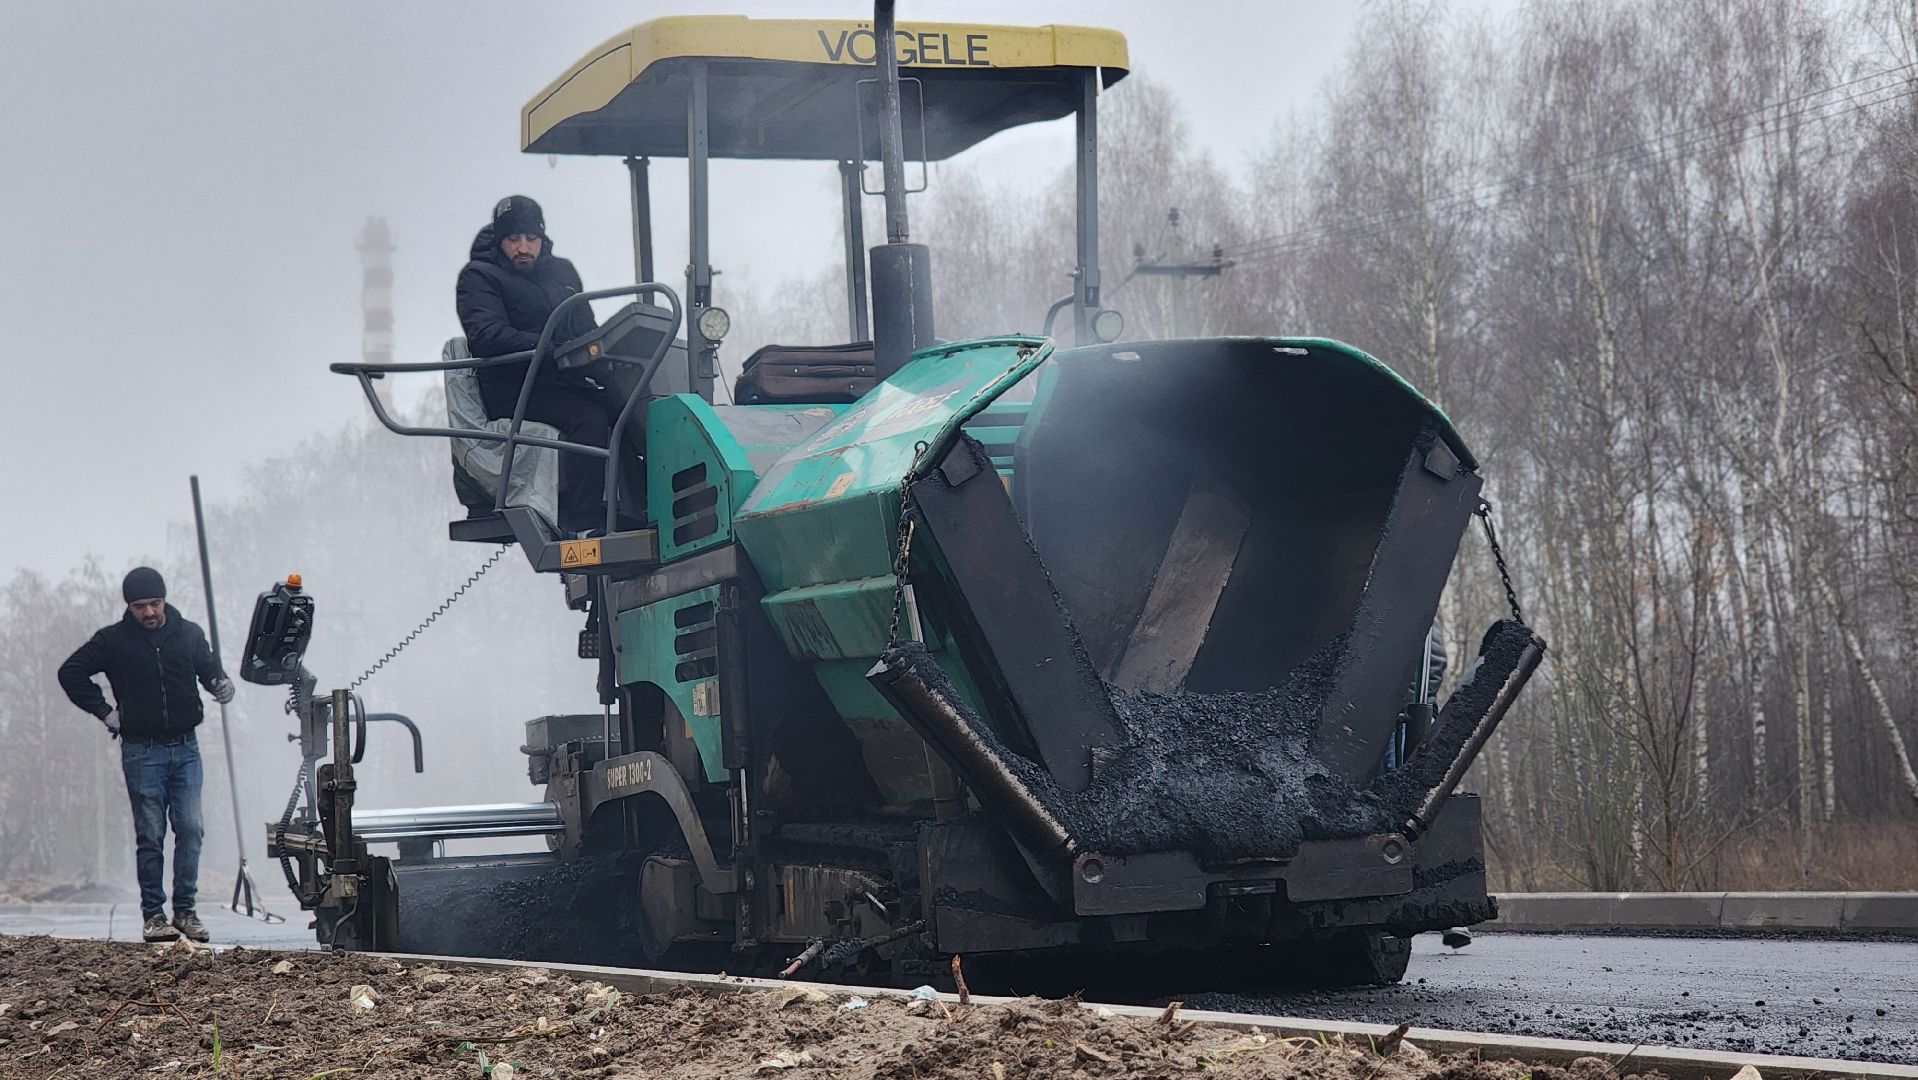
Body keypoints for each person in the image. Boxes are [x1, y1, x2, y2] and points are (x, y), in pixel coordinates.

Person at [57, 567, 234, 943]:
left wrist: (222, 684)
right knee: (151, 835)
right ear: (129, 607)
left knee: (191, 828)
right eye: (140, 606)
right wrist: (106, 712)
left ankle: (185, 911)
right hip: (141, 752)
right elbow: (70, 672)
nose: (149, 612)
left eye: (154, 603)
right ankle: (154, 916)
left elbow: (209, 670)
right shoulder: (113, 641)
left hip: (187, 747)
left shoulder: (189, 634)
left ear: (164, 599)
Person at [455, 195, 611, 533]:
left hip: (564, 379)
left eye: (531, 238)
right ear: (500, 242)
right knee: (591, 420)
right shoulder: (480, 276)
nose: (523, 247)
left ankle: (635, 508)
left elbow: (586, 327)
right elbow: (486, 334)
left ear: (542, 239)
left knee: (630, 404)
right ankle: (585, 523)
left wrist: (606, 358)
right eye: (513, 239)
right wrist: (549, 350)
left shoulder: (563, 273)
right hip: (516, 387)